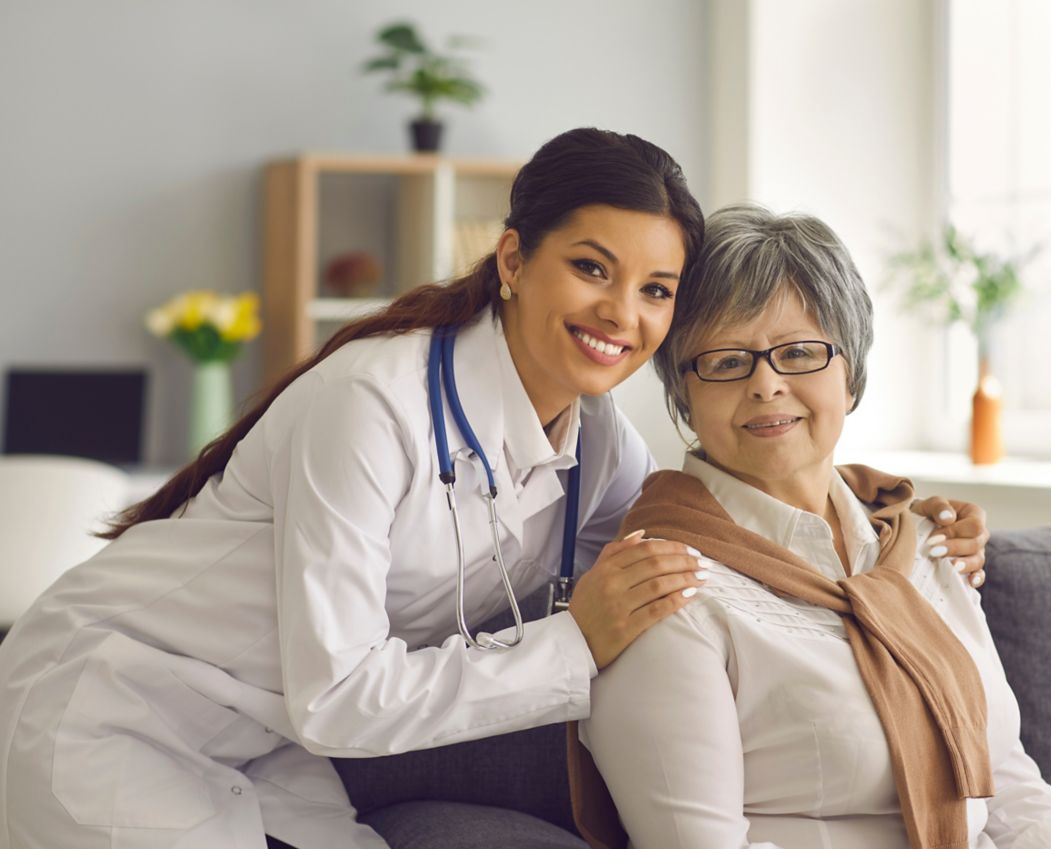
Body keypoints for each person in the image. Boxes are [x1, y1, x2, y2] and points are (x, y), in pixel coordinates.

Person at [0, 130, 986, 849]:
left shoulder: (598, 439)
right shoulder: (372, 403)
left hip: (254, 738)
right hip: (115, 703)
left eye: (656, 291)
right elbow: (341, 702)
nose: (622, 314)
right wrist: (574, 640)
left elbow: (710, 522)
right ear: (513, 259)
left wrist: (889, 524)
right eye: (591, 269)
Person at [571, 203, 1051, 849]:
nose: (766, 384)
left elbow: (1007, 784)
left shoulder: (924, 548)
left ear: (849, 376)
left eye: (798, 352)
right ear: (684, 393)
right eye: (726, 360)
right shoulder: (663, 589)